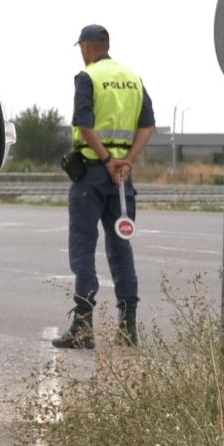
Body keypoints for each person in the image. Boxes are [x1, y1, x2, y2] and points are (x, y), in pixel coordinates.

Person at [52, 25, 156, 349]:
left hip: (93, 175)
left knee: (83, 248)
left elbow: (85, 123)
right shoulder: (133, 78)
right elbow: (147, 124)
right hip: (122, 178)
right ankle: (128, 329)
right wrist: (127, 162)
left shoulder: (88, 77)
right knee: (121, 248)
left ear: (86, 47)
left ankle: (83, 329)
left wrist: (107, 159)